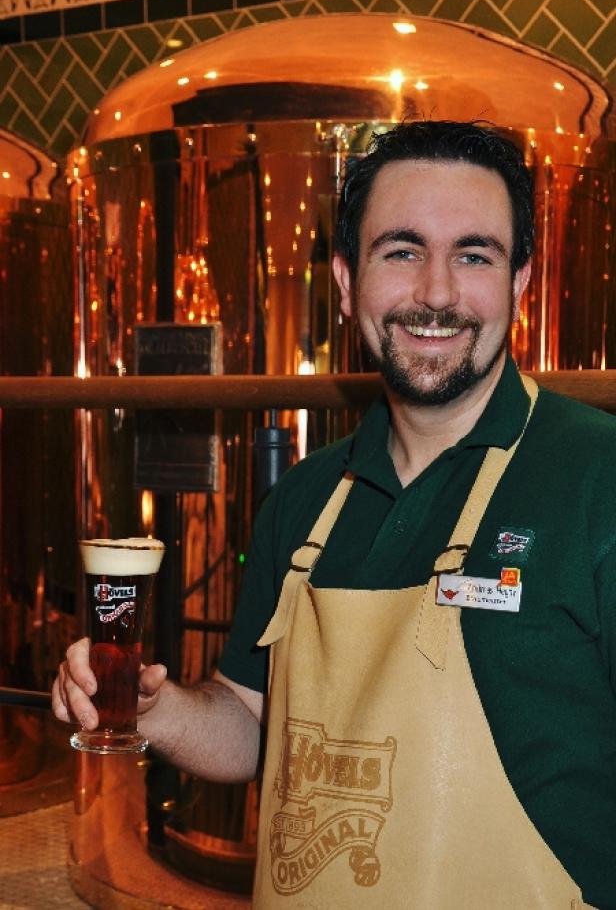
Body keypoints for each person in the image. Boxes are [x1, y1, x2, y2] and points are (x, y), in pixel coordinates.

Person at [53, 121, 616, 909]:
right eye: (402, 250)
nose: (438, 293)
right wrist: (155, 709)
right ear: (347, 282)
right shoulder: (308, 498)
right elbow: (248, 726)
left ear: (522, 282)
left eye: (475, 255)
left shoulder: (598, 476)